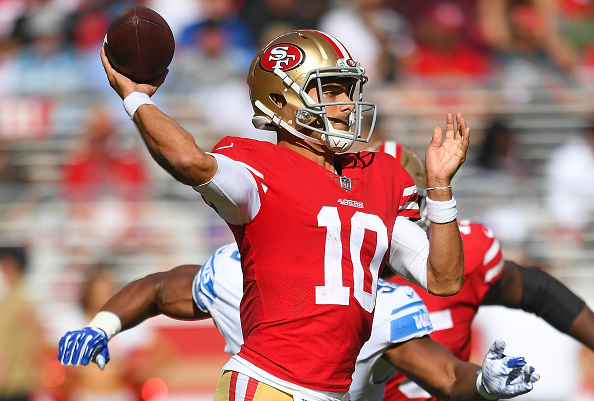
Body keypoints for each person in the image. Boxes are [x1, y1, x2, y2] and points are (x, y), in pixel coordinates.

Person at [96, 28, 470, 399]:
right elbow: (187, 161)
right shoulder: (257, 167)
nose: (345, 104)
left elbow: (443, 279)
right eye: (330, 89)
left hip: (331, 392)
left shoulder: (381, 173)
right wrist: (134, 99)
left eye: (348, 89)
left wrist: (439, 188)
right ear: (280, 98)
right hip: (268, 384)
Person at [58, 241, 539, 401]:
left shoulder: (382, 305)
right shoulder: (235, 271)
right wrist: (102, 325)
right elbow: (161, 288)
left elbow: (447, 373)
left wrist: (482, 385)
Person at [370, 141, 594, 401]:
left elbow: (540, 291)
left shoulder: (463, 256)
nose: (394, 217)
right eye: (382, 204)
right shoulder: (339, 276)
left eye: (407, 203)